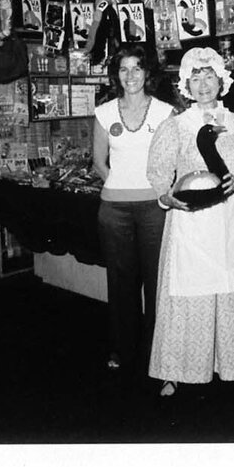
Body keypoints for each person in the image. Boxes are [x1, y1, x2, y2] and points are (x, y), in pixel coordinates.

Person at [146, 47, 234, 397]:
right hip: (191, 222)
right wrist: (166, 195)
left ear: (222, 80)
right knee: (186, 293)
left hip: (230, 219)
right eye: (195, 77)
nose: (203, 84)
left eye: (209, 76)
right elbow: (158, 171)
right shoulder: (176, 126)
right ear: (186, 83)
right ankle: (175, 369)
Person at [92, 44, 174, 381]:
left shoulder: (166, 113)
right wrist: (117, 183)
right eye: (124, 69)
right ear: (117, 75)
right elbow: (98, 161)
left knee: (157, 284)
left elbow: (172, 160)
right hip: (114, 210)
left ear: (147, 73)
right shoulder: (104, 112)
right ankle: (123, 349)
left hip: (155, 209)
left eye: (137, 68)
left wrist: (157, 190)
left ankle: (157, 352)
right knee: (121, 283)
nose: (130, 76)